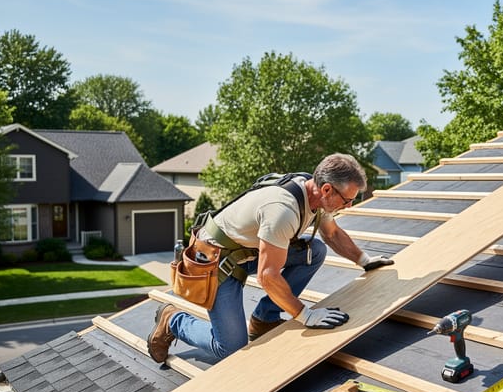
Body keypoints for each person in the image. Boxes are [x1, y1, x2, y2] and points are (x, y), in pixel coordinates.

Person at [147, 153, 394, 363]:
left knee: (315, 251)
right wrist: (305, 315)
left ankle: (264, 318)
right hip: (217, 263)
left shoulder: (315, 193)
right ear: (327, 189)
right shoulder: (283, 211)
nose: (349, 206)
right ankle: (173, 321)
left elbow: (332, 234)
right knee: (230, 348)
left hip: (248, 252)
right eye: (347, 200)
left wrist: (364, 260)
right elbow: (268, 276)